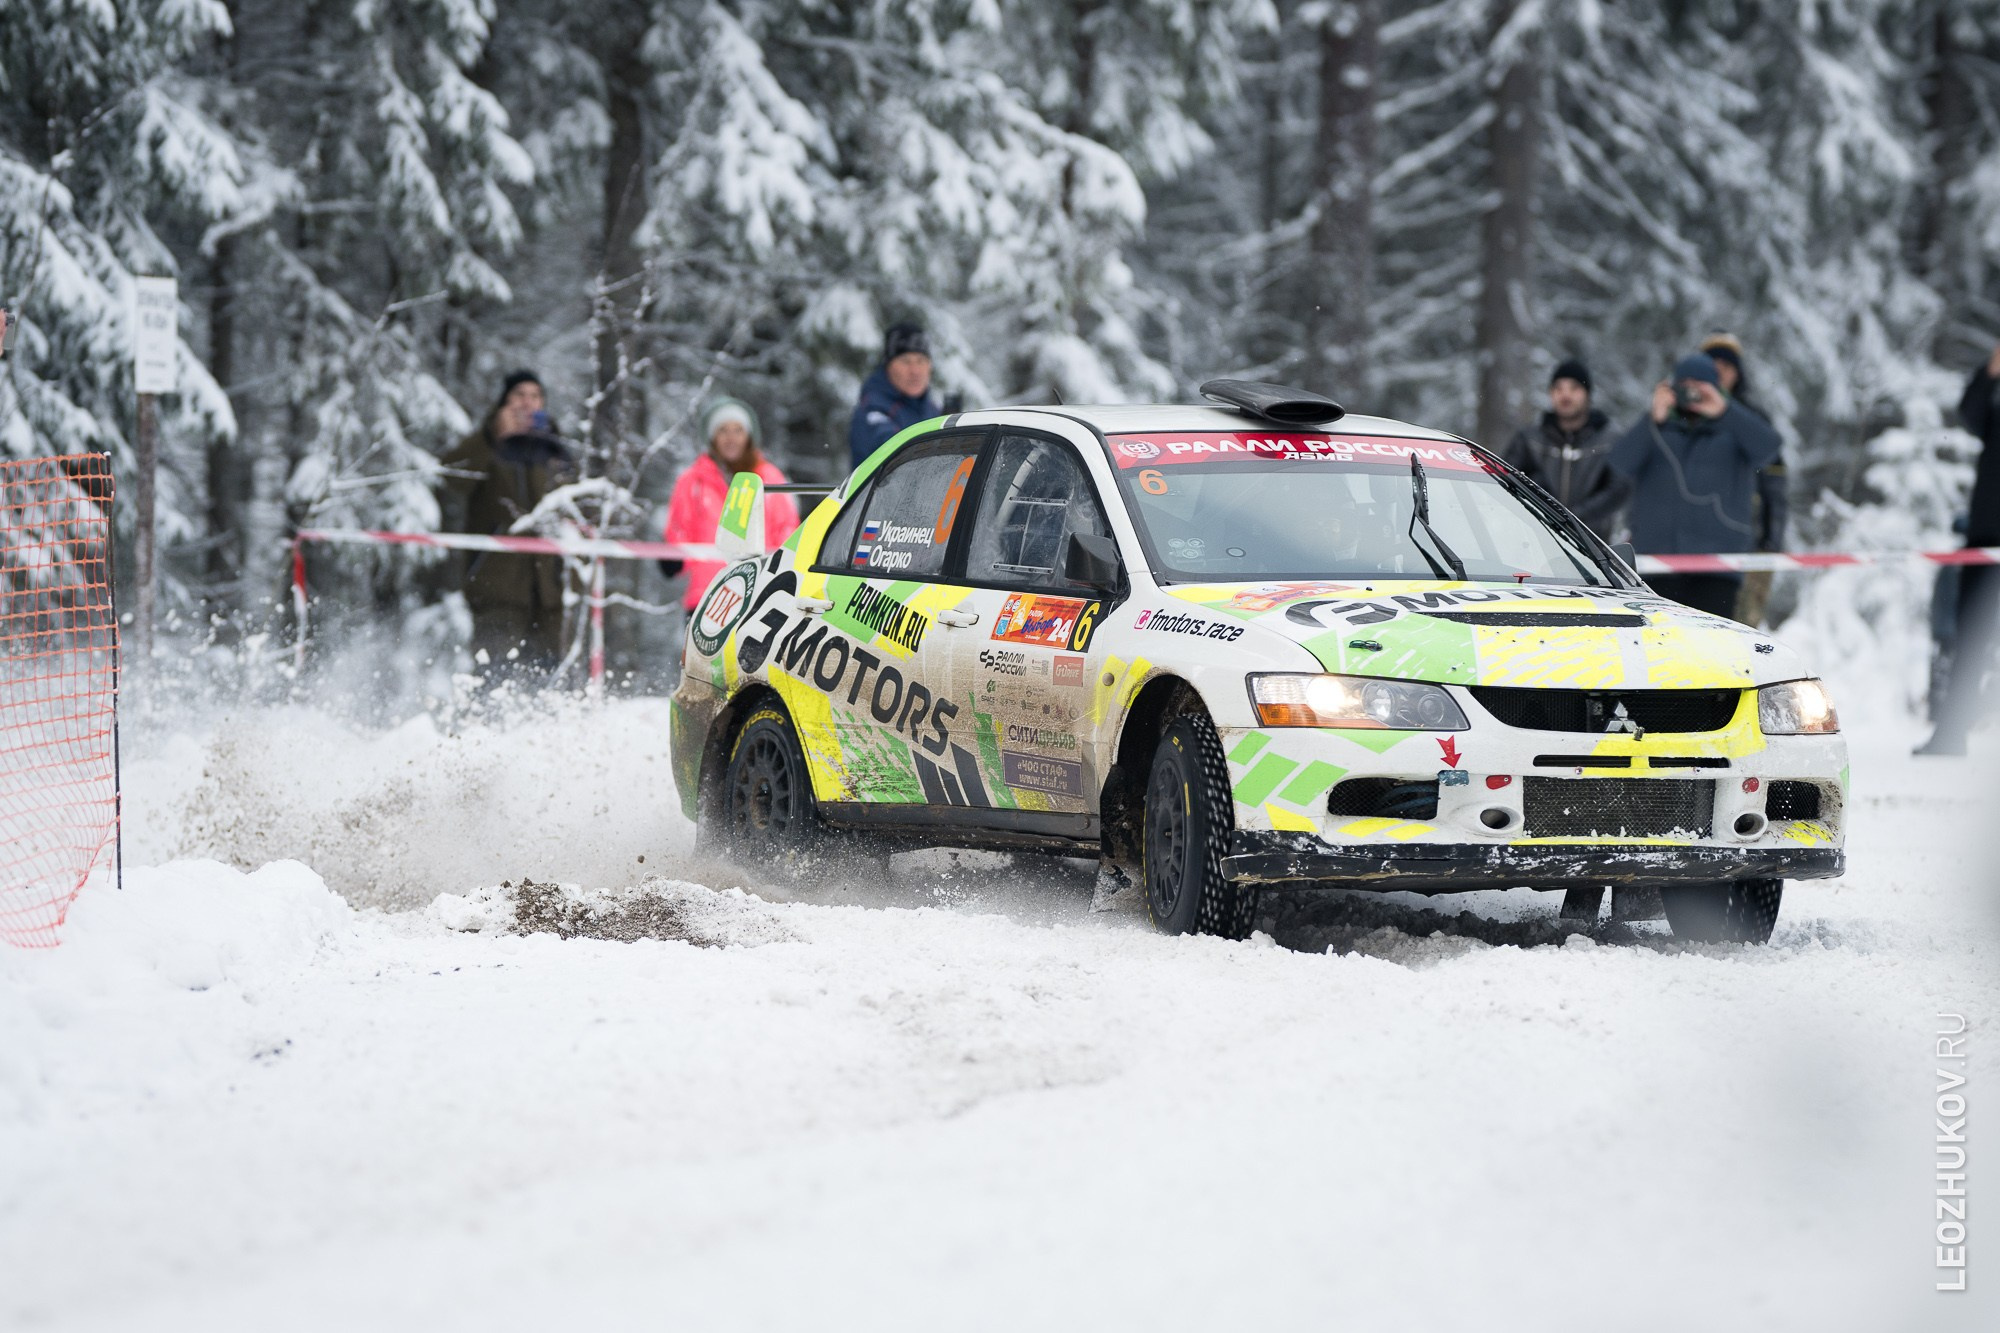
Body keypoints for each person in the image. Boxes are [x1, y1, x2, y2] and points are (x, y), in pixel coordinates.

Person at [1608, 352, 1782, 619]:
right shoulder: (1657, 430)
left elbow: (1770, 449)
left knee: (1711, 651)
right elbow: (1619, 463)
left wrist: (1726, 410)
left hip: (1718, 566)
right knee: (1659, 647)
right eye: (1684, 385)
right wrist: (1652, 418)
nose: (1691, 393)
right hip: (1657, 562)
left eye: (1700, 386)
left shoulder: (1735, 429)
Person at [438, 370, 578, 673]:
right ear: (504, 402)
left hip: (548, 592)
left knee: (547, 680)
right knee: (494, 676)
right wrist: (491, 437)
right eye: (519, 395)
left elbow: (579, 508)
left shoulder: (554, 450)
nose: (528, 403)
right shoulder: (487, 443)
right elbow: (451, 478)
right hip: (496, 588)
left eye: (535, 396)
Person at [1916, 345, 2000, 756]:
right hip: (1986, 537)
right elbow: (1970, 416)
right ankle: (1950, 734)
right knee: (1968, 639)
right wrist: (1990, 372)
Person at [661, 397, 801, 611]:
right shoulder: (693, 480)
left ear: (749, 436)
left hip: (759, 598)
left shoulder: (770, 478)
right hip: (707, 597)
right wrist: (673, 557)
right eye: (723, 430)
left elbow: (787, 531)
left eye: (738, 430)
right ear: (712, 437)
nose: (731, 438)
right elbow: (680, 530)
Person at [1699, 332, 1788, 625]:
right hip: (1691, 551)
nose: (1720, 370)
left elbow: (1775, 485)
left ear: (1738, 372)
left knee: (1740, 636)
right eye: (1713, 363)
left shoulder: (1754, 419)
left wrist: (1770, 543)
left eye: (1728, 364)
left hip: (1747, 549)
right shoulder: (1684, 417)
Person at [1497, 358, 1630, 540]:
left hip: (1594, 549)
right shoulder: (1529, 439)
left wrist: (1575, 519)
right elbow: (1504, 480)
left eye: (1574, 388)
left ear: (1587, 394)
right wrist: (1542, 508)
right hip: (1537, 544)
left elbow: (1619, 489)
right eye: (1558, 388)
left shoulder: (1610, 440)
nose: (1565, 396)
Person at [847, 322, 942, 470]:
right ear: (888, 366)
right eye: (906, 361)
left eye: (921, 361)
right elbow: (900, 456)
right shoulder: (873, 410)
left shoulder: (933, 410)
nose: (915, 370)